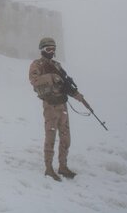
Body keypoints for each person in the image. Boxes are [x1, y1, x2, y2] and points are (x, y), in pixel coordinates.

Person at [29, 37, 85, 181]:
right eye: (48, 49)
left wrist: (76, 94)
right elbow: (34, 81)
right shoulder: (37, 65)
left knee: (66, 137)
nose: (51, 51)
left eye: (53, 49)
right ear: (42, 50)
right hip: (50, 104)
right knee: (51, 136)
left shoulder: (58, 66)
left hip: (62, 104)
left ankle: (63, 166)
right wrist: (52, 77)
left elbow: (65, 84)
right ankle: (48, 168)